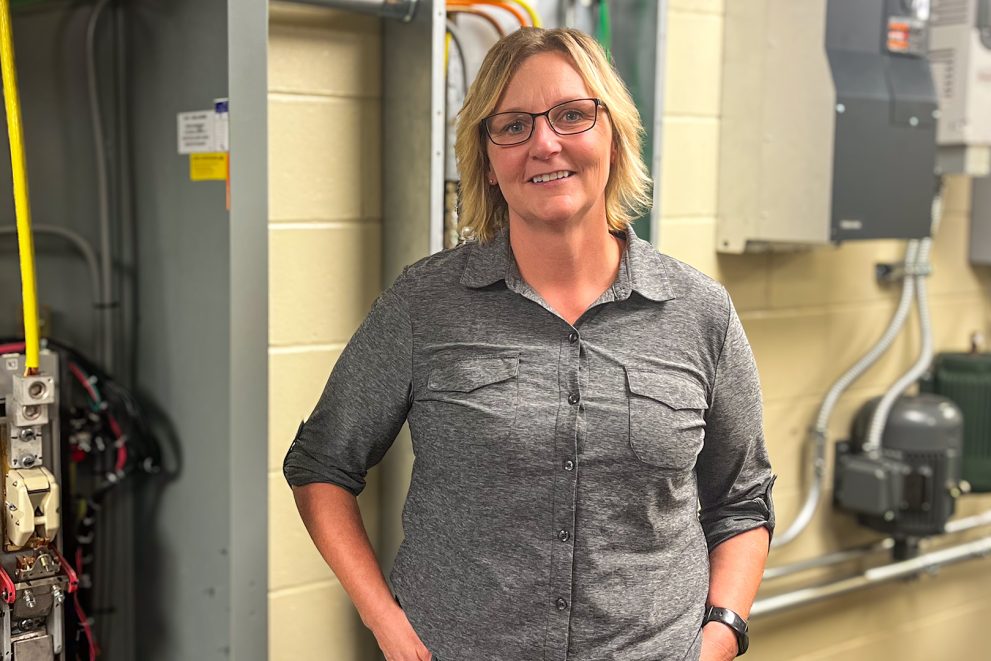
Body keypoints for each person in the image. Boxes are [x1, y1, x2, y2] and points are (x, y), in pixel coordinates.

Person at [284, 27, 775, 661]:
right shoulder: (425, 304)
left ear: (614, 134)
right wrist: (386, 622)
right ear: (487, 160)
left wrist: (721, 636)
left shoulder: (698, 311)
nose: (545, 144)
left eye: (573, 115)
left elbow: (742, 501)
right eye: (513, 126)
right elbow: (320, 466)